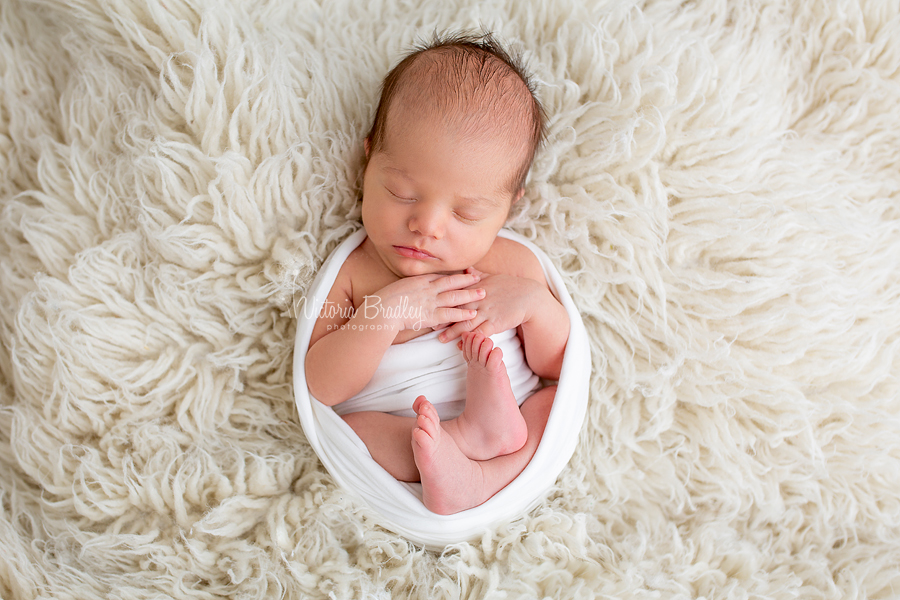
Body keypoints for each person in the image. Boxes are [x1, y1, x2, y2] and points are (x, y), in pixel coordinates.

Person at [305, 32, 570, 515]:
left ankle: (482, 473)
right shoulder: (355, 275)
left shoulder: (510, 266)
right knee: (357, 432)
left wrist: (533, 307)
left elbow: (558, 367)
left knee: (554, 409)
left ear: (509, 209)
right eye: (403, 192)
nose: (426, 225)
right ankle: (464, 445)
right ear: (369, 158)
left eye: (466, 214)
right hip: (405, 430)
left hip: (509, 428)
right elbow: (321, 386)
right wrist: (382, 315)